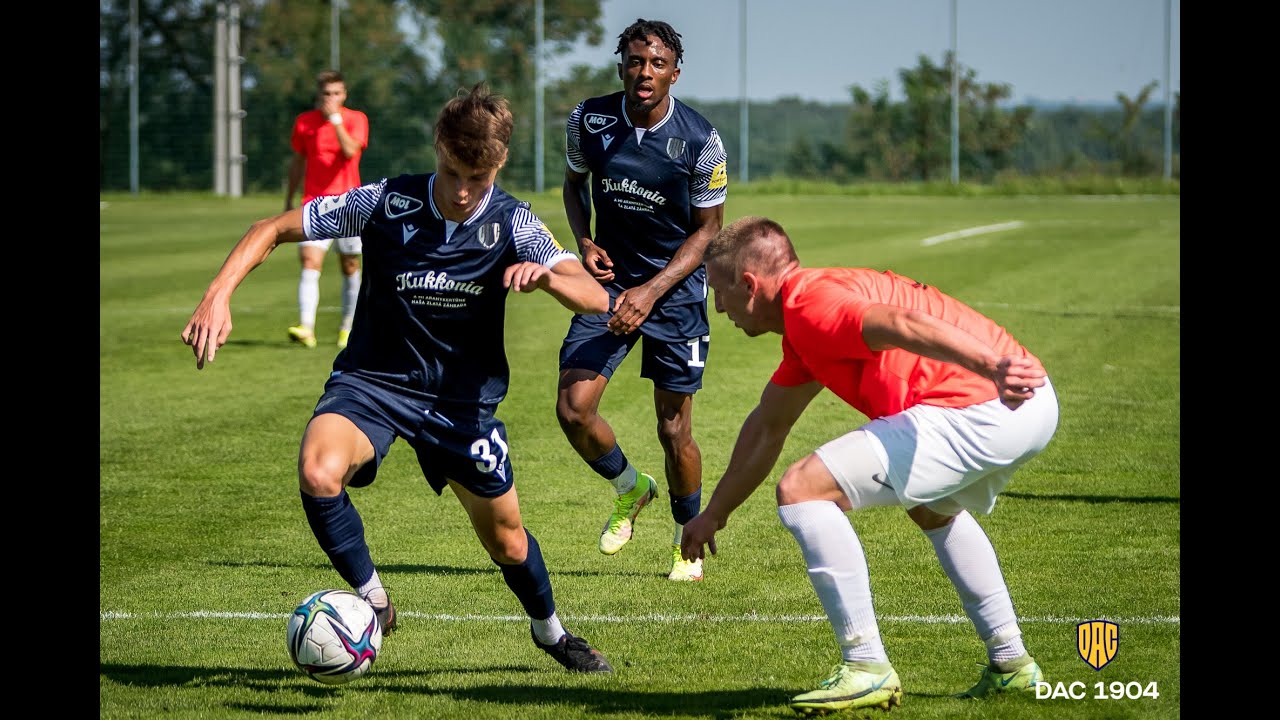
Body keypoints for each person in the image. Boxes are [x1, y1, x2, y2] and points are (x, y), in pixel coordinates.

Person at [182, 83, 614, 674]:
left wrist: (548, 279)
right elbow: (271, 228)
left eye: (478, 178)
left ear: (500, 165)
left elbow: (594, 296)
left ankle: (552, 634)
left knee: (509, 541)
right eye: (452, 171)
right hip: (373, 384)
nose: (462, 191)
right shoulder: (386, 201)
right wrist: (218, 295)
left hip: (460, 405)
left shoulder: (513, 222)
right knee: (318, 470)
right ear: (437, 147)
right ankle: (374, 600)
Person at [680, 216, 1060, 714]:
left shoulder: (811, 305)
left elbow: (901, 325)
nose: (717, 306)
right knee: (931, 508)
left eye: (718, 290)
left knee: (801, 489)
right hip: (1027, 399)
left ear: (749, 285)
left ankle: (866, 666)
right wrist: (715, 513)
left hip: (991, 400)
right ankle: (1011, 662)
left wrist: (993, 368)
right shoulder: (806, 319)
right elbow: (768, 425)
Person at [556, 18, 727, 582]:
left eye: (657, 63)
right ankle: (631, 488)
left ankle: (686, 540)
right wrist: (584, 241)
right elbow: (573, 185)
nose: (645, 72)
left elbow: (708, 230)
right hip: (609, 287)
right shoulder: (589, 119)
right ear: (621, 67)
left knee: (673, 430)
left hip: (674, 294)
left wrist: (651, 292)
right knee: (573, 409)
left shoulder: (700, 140)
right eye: (635, 61)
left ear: (675, 73)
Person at [283, 70, 369, 350]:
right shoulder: (304, 122)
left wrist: (335, 121)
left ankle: (347, 328)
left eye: (336, 93)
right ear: (318, 95)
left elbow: (350, 151)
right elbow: (298, 162)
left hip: (350, 204)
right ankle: (306, 327)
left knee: (350, 265)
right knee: (309, 261)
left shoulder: (356, 119)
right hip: (315, 203)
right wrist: (289, 198)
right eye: (326, 93)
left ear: (344, 95)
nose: (330, 98)